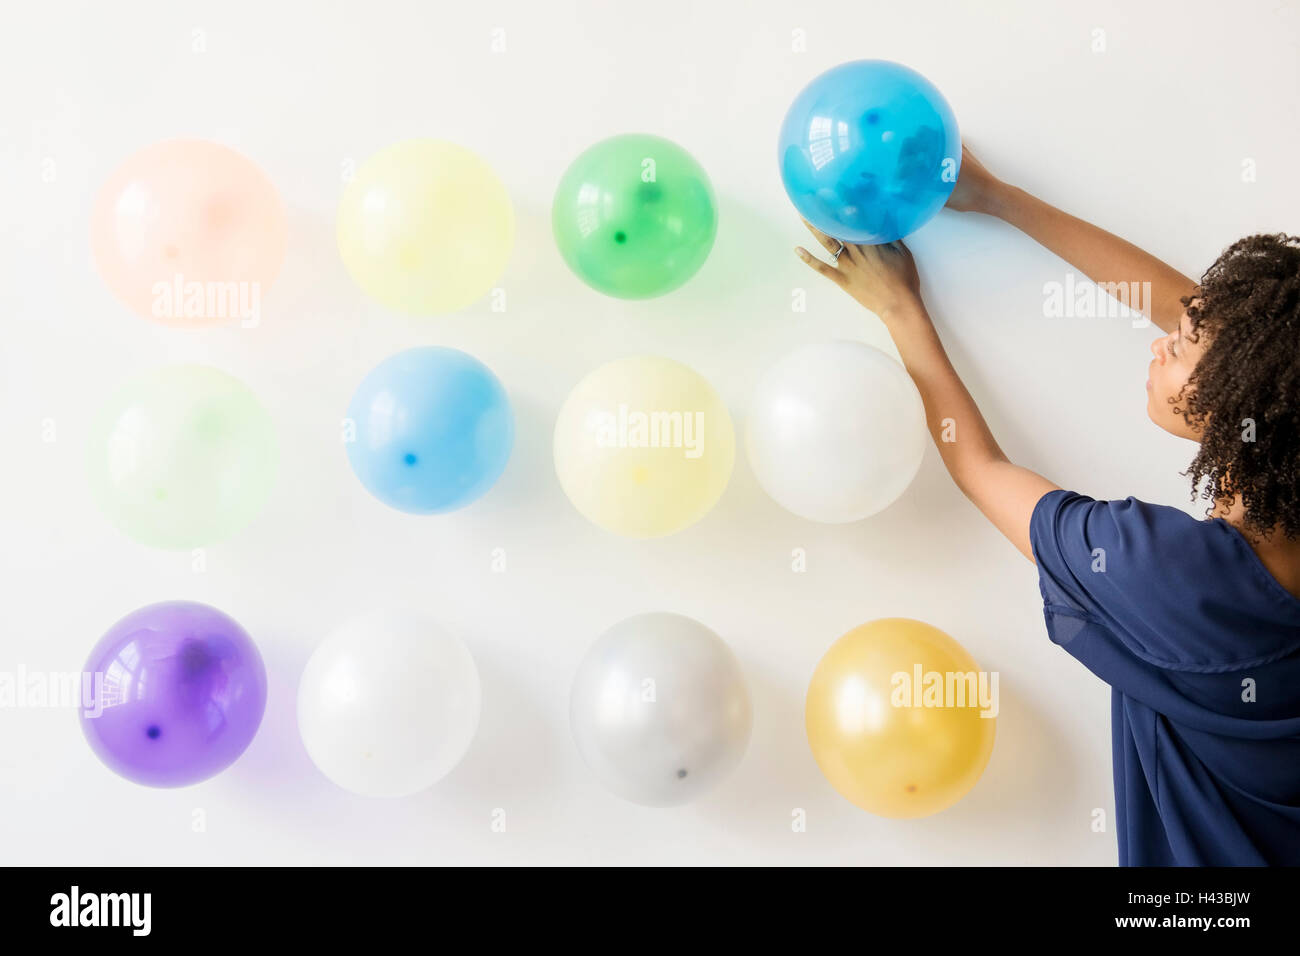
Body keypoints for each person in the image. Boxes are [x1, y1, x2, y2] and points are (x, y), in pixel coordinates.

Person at [795, 147, 1300, 866]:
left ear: (1238, 395)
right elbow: (1244, 342)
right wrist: (1000, 199)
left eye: (1186, 344)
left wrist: (899, 308)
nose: (1165, 338)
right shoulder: (1275, 432)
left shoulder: (1162, 574)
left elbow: (978, 465)